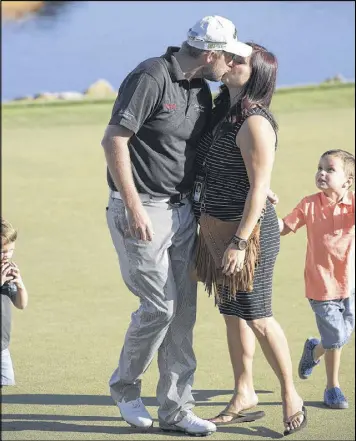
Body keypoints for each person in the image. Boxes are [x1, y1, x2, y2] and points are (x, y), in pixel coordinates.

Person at [101, 15, 253, 436]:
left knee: (183, 312)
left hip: (183, 211)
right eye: (230, 58)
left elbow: (204, 150)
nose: (231, 67)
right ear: (211, 54)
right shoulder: (151, 76)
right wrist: (133, 208)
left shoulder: (201, 89)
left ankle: (176, 409)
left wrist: (252, 186)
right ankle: (126, 388)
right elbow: (114, 139)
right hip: (141, 210)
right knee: (159, 308)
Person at [192, 42, 306, 436]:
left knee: (257, 315)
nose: (230, 62)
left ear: (255, 73)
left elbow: (259, 189)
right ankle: (244, 392)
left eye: (239, 60)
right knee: (231, 313)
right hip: (215, 227)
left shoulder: (255, 121)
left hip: (248, 234)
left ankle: (291, 393)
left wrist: (240, 243)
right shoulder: (224, 109)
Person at [279, 149, 355, 409]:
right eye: (319, 167)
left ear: (347, 180)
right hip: (321, 285)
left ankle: (314, 351)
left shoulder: (353, 204)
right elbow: (285, 227)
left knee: (340, 336)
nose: (322, 173)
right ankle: (332, 387)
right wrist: (262, 212)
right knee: (336, 336)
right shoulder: (309, 204)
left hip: (350, 285)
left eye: (330, 169)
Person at [1, 218, 28, 386]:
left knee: (7, 385)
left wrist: (19, 285)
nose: (7, 255)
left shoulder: (7, 270)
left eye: (10, 250)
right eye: (2, 251)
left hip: (2, 347)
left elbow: (21, 304)